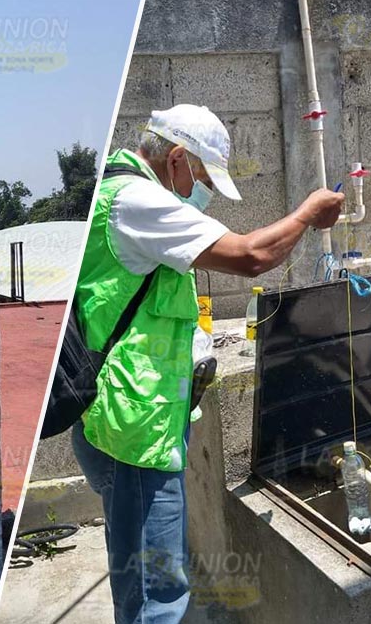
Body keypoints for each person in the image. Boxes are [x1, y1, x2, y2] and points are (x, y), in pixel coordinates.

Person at [71, 103, 343, 622]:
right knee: (158, 595)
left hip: (127, 419)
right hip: (135, 434)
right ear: (176, 159)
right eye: (203, 180)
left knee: (143, 572)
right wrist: (308, 213)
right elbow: (251, 257)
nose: (204, 195)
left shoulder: (118, 195)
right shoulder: (137, 200)